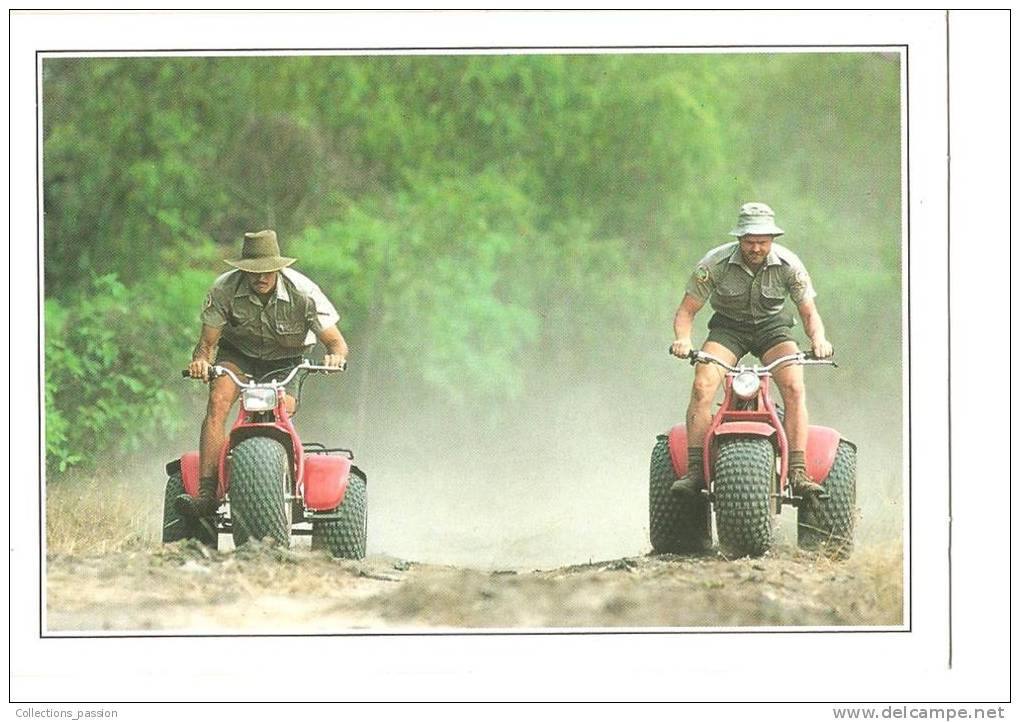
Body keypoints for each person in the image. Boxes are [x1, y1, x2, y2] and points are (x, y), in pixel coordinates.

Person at [177, 229, 349, 517]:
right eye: (253, 271)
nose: (260, 277)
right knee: (218, 402)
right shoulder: (224, 290)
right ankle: (207, 493)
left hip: (287, 360)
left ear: (279, 268)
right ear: (243, 270)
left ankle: (289, 484)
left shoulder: (304, 293)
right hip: (238, 356)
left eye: (268, 271)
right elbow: (206, 345)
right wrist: (201, 363)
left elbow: (336, 342)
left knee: (283, 411)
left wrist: (335, 358)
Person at [669, 202, 833, 499]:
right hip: (729, 330)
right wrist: (683, 340)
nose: (756, 248)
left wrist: (819, 340)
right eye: (749, 241)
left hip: (773, 330)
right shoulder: (714, 265)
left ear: (772, 239)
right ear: (739, 238)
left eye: (762, 241)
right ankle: (695, 470)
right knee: (702, 384)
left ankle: (797, 471)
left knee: (795, 387)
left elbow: (809, 313)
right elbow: (686, 311)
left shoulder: (789, 265)